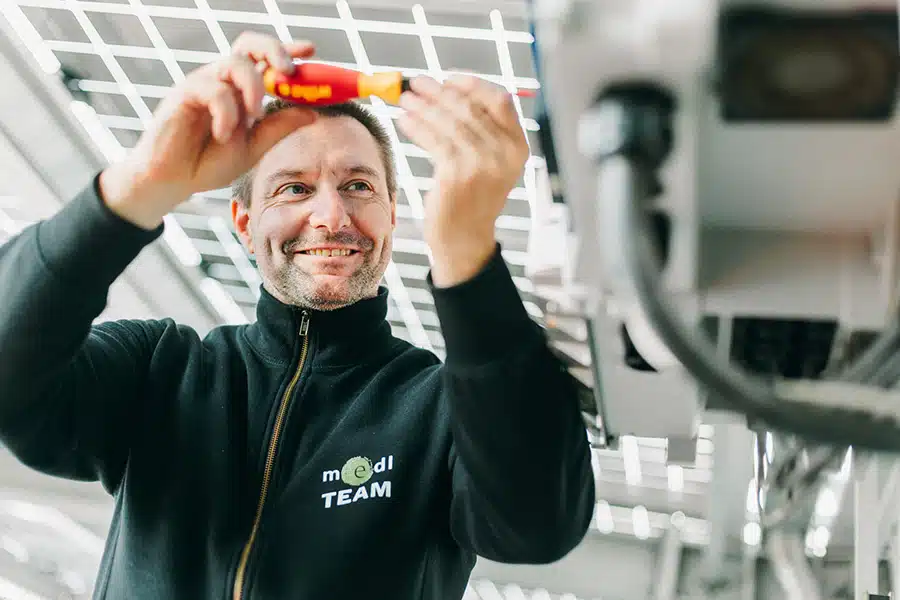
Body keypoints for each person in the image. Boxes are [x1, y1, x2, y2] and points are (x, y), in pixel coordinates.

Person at [0, 32, 594, 599]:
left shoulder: (445, 408)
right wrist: (140, 185)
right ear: (244, 222)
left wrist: (466, 250)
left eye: (359, 185)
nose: (331, 216)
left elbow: (537, 522)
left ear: (391, 214)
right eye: (293, 189)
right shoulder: (160, 369)